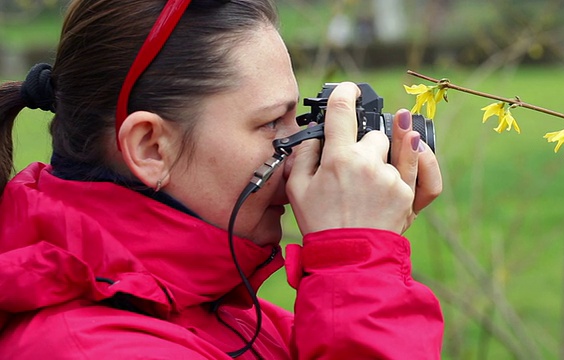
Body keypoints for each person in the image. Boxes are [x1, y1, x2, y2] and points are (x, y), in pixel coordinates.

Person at [0, 0, 444, 358]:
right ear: (152, 148)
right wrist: (358, 263)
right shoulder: (85, 347)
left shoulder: (230, 318)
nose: (305, 150)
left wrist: (360, 264)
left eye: (302, 119)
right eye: (273, 123)